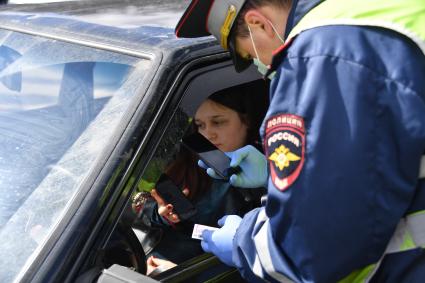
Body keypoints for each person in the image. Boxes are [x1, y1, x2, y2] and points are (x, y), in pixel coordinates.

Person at [174, 0, 425, 282]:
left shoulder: (321, 54)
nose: (261, 68)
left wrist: (242, 241)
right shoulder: (387, 13)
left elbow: (315, 248)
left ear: (259, 23)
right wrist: (274, 172)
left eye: (248, 56)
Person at [144, 81, 268, 272]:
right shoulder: (188, 160)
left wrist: (179, 272)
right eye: (200, 125)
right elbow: (144, 209)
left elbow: (254, 257)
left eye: (218, 122)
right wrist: (163, 215)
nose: (208, 134)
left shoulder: (269, 179)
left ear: (247, 121)